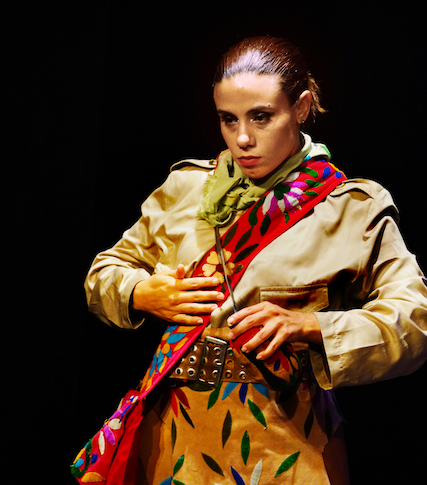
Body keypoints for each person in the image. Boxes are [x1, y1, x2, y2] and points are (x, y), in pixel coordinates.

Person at [81, 36, 427, 485]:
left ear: (301, 107)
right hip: (174, 441)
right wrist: (139, 293)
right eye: (228, 119)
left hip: (287, 445)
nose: (242, 138)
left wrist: (314, 326)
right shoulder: (186, 189)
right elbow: (104, 273)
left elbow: (414, 321)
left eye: (261, 116)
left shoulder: (352, 207)